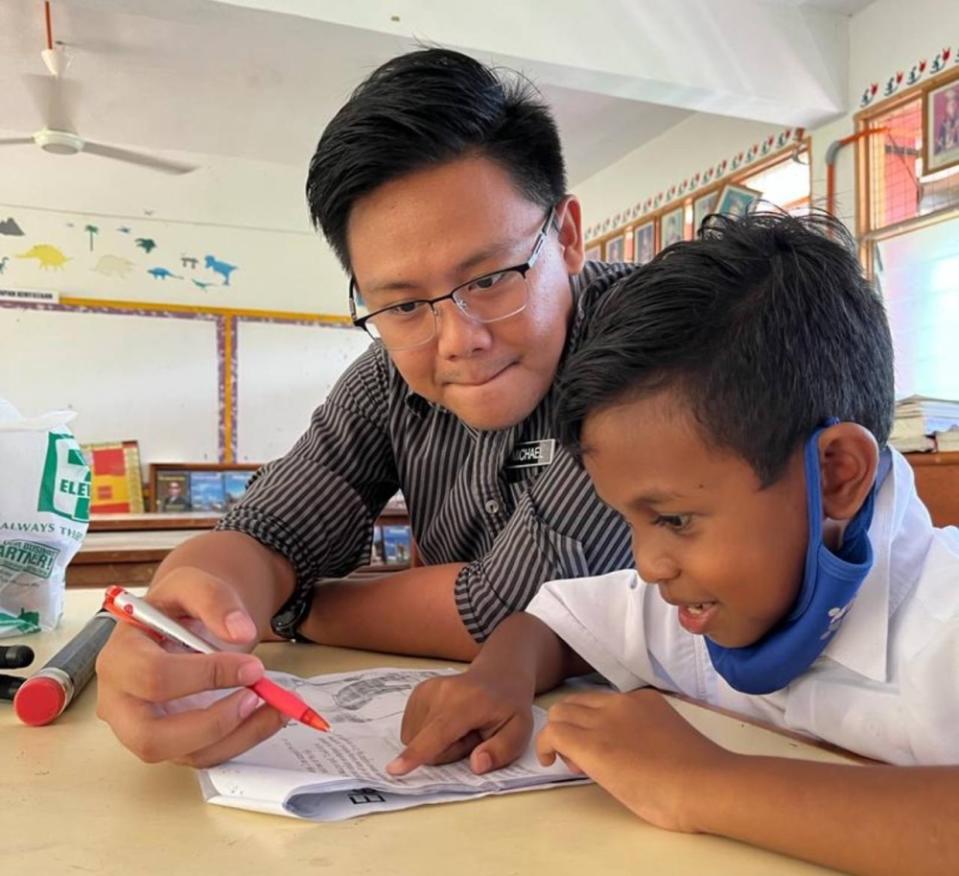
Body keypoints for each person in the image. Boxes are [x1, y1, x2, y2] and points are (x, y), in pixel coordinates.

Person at [95, 48, 635, 767]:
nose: (457, 340)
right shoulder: (388, 378)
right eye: (403, 304)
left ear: (565, 235)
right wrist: (198, 612)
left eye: (492, 278)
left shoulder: (653, 344)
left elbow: (511, 603)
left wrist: (296, 604)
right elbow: (265, 529)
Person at [387, 213, 959, 876]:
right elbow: (552, 622)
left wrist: (700, 783)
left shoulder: (943, 625)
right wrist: (497, 678)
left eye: (676, 520)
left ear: (835, 475)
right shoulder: (697, 606)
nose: (648, 565)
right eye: (630, 522)